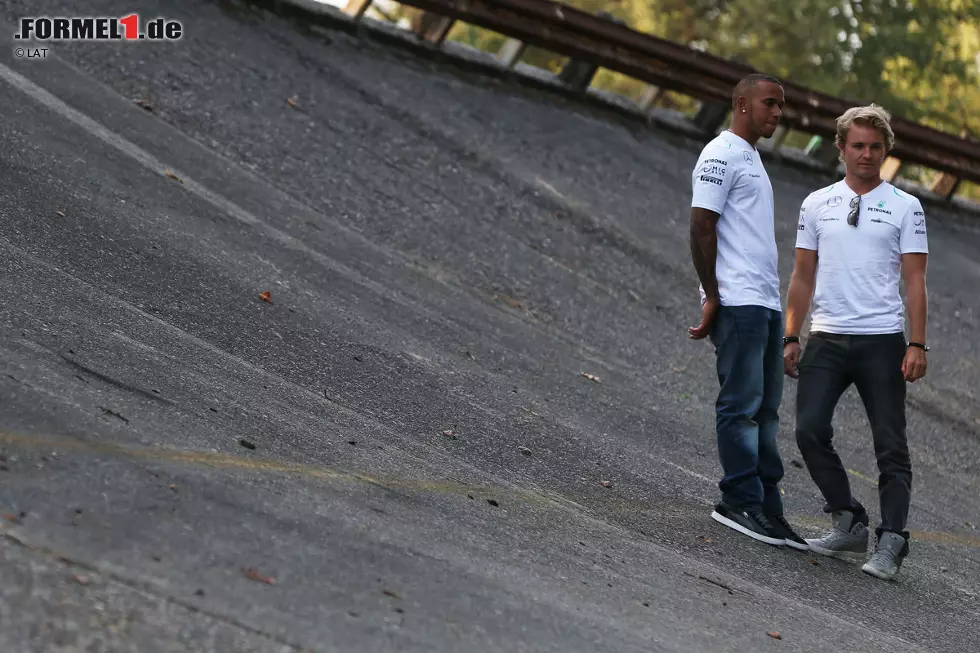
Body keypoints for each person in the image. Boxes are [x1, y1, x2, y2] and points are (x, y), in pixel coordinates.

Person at [783, 104, 929, 580]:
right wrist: (791, 334)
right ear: (842, 148)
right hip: (826, 337)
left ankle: (892, 541)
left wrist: (917, 344)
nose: (867, 154)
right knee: (808, 430)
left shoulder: (906, 207)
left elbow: (915, 282)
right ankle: (847, 519)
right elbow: (803, 277)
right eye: (858, 146)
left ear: (886, 151)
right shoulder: (815, 204)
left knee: (890, 445)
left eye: (876, 147)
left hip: (883, 342)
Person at [688, 73, 808, 550]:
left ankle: (767, 505)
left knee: (766, 411)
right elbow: (700, 228)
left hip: (763, 302)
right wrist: (712, 294)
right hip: (737, 300)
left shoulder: (752, 158)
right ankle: (738, 500)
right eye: (770, 104)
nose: (778, 113)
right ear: (742, 103)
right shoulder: (719, 154)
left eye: (782, 105)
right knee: (740, 406)